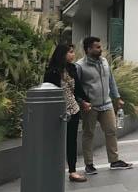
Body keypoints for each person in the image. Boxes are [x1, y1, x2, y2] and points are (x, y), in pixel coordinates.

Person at [76, 36, 133, 174]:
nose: (100, 49)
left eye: (100, 46)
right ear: (88, 49)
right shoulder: (79, 66)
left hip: (106, 104)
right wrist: (82, 102)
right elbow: (76, 87)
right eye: (97, 47)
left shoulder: (104, 61)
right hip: (90, 106)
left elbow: (111, 80)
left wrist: (117, 97)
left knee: (111, 131)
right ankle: (89, 164)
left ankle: (114, 161)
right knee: (89, 134)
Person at [44, 44, 91, 183]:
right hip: (57, 112)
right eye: (70, 52)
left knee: (71, 142)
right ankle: (51, 169)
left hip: (73, 110)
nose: (73, 55)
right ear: (62, 54)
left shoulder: (72, 68)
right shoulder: (51, 72)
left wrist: (85, 101)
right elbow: (47, 92)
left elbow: (77, 89)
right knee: (55, 142)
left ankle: (72, 171)